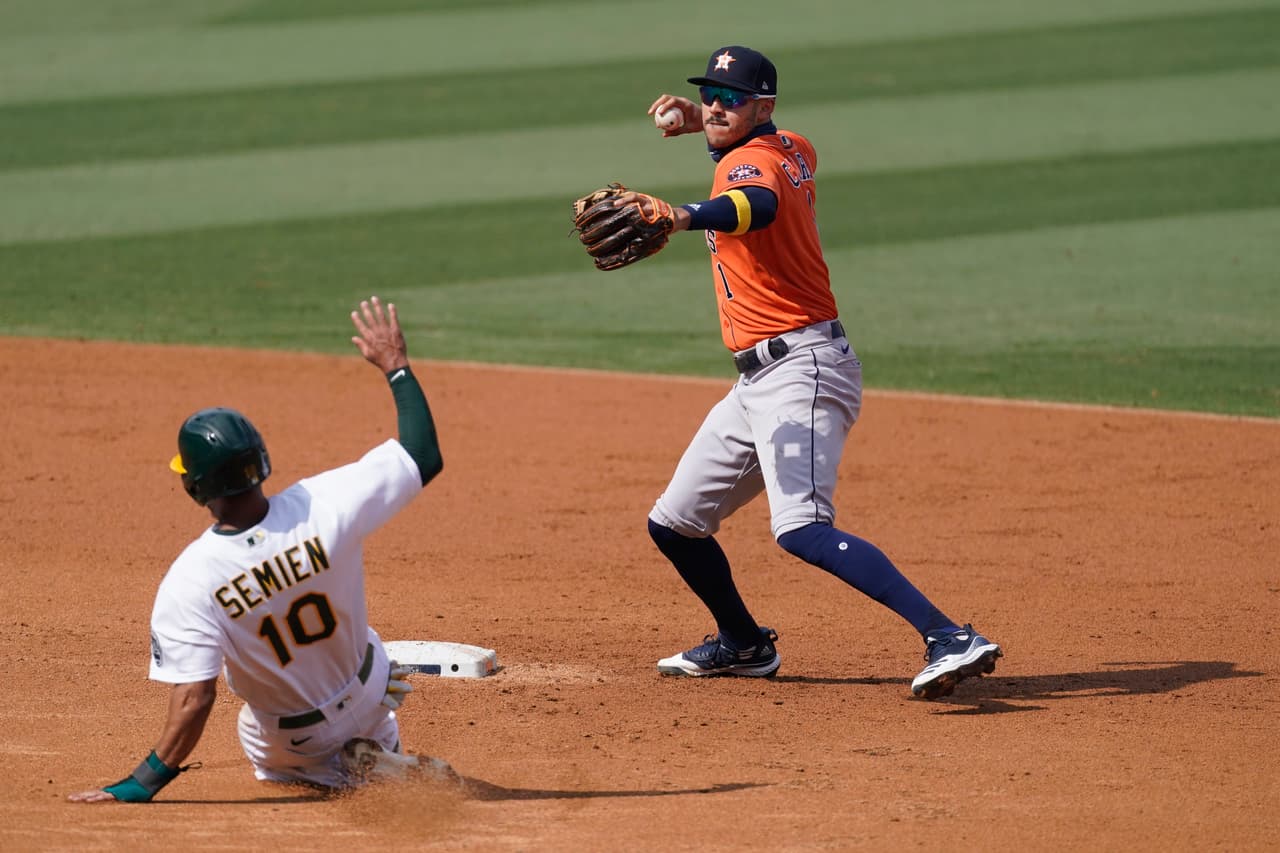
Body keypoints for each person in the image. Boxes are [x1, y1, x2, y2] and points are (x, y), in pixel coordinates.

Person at [630, 46, 1002, 699]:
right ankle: (743, 644)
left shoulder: (754, 166)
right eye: (710, 93)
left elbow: (755, 206)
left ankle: (949, 635)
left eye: (732, 97)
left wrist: (685, 213)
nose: (718, 104)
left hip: (801, 370)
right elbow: (762, 158)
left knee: (800, 527)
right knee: (675, 522)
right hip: (759, 382)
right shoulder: (792, 144)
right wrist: (702, 122)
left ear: (762, 107)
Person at [70, 296, 452, 802]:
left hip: (296, 735)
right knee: (365, 654)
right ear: (260, 461)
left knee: (256, 734)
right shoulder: (325, 503)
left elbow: (194, 697)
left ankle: (342, 773)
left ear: (196, 488)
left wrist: (143, 783)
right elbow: (422, 454)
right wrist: (396, 365)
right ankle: (378, 755)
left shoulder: (192, 579)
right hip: (373, 690)